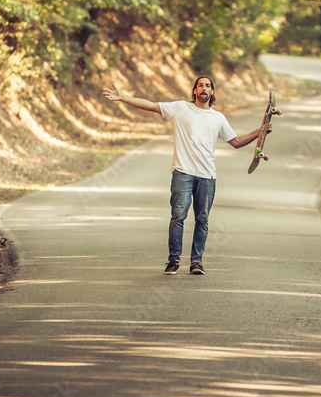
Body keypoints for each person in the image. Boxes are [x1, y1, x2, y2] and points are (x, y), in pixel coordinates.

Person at [102, 75, 270, 275]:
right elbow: (151, 105)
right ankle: (173, 260)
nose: (204, 89)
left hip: (207, 176)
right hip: (182, 173)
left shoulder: (218, 118)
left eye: (208, 86)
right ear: (194, 91)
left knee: (203, 220)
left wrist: (260, 132)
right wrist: (124, 98)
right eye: (200, 85)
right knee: (178, 217)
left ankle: (196, 262)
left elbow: (235, 142)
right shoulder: (181, 108)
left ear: (212, 92)